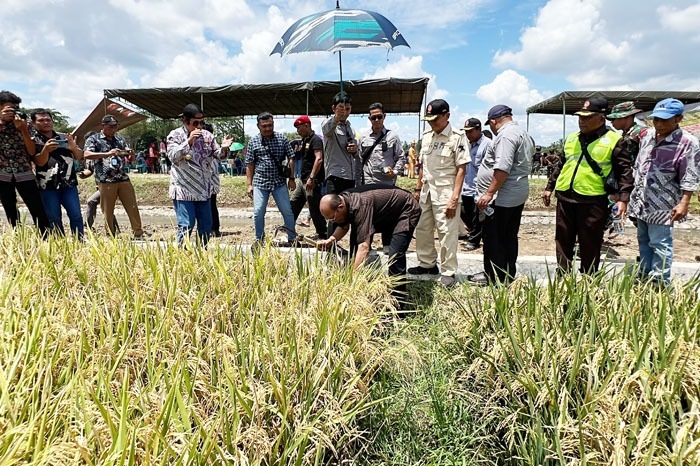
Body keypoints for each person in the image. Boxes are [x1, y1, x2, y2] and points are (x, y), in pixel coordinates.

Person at [542, 96, 633, 273]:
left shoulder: (614, 140)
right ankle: (563, 278)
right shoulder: (571, 139)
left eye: (588, 117)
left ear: (601, 117)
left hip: (593, 200)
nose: (582, 121)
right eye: (580, 117)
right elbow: (561, 164)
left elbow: (625, 173)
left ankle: (588, 280)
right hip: (565, 196)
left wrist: (623, 199)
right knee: (562, 240)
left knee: (590, 243)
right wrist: (549, 187)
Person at [628, 98, 699, 285]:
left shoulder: (687, 142)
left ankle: (659, 282)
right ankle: (643, 275)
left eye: (664, 120)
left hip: (664, 203)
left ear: (678, 119)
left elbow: (690, 175)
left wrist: (684, 203)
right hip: (641, 199)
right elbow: (639, 164)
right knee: (643, 241)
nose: (659, 124)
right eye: (656, 119)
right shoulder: (648, 136)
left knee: (660, 243)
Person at [467, 105, 533, 286]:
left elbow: (502, 167)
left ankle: (495, 276)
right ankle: (503, 272)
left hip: (502, 197)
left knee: (495, 237)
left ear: (494, 121)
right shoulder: (521, 132)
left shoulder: (505, 136)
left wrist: (489, 193)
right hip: (514, 194)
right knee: (508, 236)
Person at [317, 185, 421, 298]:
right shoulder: (343, 200)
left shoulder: (360, 205)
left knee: (395, 255)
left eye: (332, 218)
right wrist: (331, 240)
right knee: (354, 246)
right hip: (386, 212)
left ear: (341, 207)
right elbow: (343, 226)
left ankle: (398, 302)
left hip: (406, 209)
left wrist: (351, 281)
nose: (332, 222)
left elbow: (364, 247)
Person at [407, 99, 469, 287]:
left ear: (447, 116)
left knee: (447, 232)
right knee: (423, 229)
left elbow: (461, 169)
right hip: (427, 191)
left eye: (435, 120)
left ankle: (448, 270)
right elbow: (422, 166)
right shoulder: (427, 136)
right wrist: (418, 189)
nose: (432, 124)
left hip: (446, 193)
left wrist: (454, 198)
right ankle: (427, 264)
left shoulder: (457, 137)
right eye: (429, 120)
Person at [167, 104, 232, 246]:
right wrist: (189, 141)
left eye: (202, 122)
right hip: (184, 188)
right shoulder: (175, 135)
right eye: (195, 122)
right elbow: (172, 156)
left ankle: (201, 253)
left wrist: (225, 148)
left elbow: (218, 155)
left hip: (203, 189)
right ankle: (181, 254)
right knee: (186, 224)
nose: (199, 126)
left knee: (206, 225)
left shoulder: (208, 136)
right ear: (185, 120)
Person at [84, 115, 146, 239]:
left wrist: (130, 154)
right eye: (110, 126)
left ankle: (138, 233)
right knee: (107, 210)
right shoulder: (94, 139)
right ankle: (111, 235)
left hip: (122, 177)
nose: (113, 129)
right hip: (105, 180)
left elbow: (131, 158)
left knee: (132, 206)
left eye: (115, 126)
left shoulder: (119, 139)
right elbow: (87, 154)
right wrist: (107, 154)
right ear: (103, 125)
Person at [0, 90, 49, 234]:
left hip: (24, 172)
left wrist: (23, 130)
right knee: (10, 209)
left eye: (15, 108)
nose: (13, 112)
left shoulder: (24, 124)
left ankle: (46, 238)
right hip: (2, 174)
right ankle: (18, 237)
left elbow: (32, 151)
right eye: (9, 108)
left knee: (37, 208)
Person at [31, 109, 85, 237]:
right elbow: (39, 162)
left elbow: (80, 157)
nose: (46, 122)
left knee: (76, 216)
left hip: (69, 184)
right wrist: (46, 150)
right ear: (34, 123)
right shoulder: (33, 140)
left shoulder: (64, 137)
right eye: (41, 120)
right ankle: (60, 246)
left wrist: (73, 147)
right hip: (47, 186)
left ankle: (80, 243)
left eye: (48, 120)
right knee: (54, 218)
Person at [245, 112, 297, 245]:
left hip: (279, 182)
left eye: (270, 125)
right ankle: (259, 239)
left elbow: (291, 157)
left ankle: (292, 238)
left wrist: (291, 178)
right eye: (264, 126)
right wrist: (249, 184)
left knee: (287, 211)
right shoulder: (253, 142)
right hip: (260, 183)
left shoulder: (282, 139)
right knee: (258, 212)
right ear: (258, 126)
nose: (268, 128)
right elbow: (250, 164)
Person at [289, 115, 327, 239]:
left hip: (312, 181)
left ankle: (323, 234)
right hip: (302, 180)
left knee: (315, 208)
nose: (297, 131)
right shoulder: (305, 140)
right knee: (293, 204)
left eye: (299, 128)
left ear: (307, 126)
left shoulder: (315, 140)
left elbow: (319, 159)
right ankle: (288, 229)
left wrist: (312, 178)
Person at [459, 118, 491, 252]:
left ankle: (474, 240)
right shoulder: (465, 144)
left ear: (478, 130)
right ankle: (476, 233)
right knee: (464, 213)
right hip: (466, 186)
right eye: (466, 132)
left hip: (479, 188)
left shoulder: (488, 145)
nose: (468, 135)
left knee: (477, 216)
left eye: (470, 132)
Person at [358, 102, 405, 185]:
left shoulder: (393, 136)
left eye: (379, 117)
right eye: (373, 117)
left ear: (384, 116)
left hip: (387, 182)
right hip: (368, 182)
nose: (377, 120)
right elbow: (358, 160)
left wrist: (394, 172)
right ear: (369, 118)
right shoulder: (363, 137)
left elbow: (401, 158)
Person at [322, 92, 359, 194]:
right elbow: (326, 130)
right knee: (334, 208)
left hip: (350, 177)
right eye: (341, 108)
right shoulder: (328, 123)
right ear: (334, 108)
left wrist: (354, 149)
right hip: (335, 177)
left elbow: (356, 153)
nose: (345, 112)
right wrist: (337, 117)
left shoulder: (351, 128)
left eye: (347, 109)